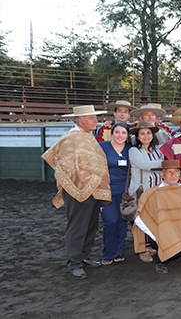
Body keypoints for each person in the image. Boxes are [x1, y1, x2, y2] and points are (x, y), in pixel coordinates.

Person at [41, 105, 111, 279]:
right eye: (91, 118)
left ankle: (84, 256)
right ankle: (74, 263)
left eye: (95, 117)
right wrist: (86, 179)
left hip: (93, 189)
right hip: (78, 189)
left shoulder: (88, 137)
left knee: (91, 226)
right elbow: (65, 164)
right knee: (78, 227)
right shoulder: (70, 138)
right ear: (80, 120)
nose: (96, 121)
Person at [128, 121, 164, 263]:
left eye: (148, 133)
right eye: (142, 133)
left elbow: (151, 165)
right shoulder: (133, 151)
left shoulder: (158, 150)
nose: (146, 136)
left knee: (154, 220)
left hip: (156, 191)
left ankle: (151, 245)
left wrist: (160, 163)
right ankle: (142, 250)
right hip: (140, 191)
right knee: (140, 222)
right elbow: (144, 165)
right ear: (137, 136)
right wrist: (162, 163)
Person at [98, 122, 131, 265]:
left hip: (125, 192)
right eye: (117, 132)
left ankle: (119, 251)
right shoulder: (103, 147)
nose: (120, 135)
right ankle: (108, 253)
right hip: (106, 191)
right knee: (110, 221)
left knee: (122, 221)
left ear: (128, 135)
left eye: (123, 132)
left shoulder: (131, 149)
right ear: (112, 133)